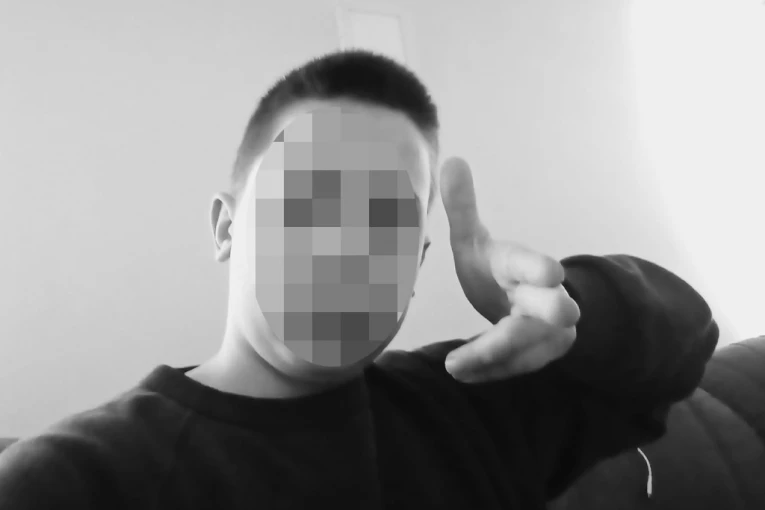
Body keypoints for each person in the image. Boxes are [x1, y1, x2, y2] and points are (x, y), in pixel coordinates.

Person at [0, 49, 719, 509]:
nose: (344, 246)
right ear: (227, 228)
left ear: (417, 265)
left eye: (386, 220)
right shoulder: (76, 479)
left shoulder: (465, 406)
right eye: (309, 199)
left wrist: (578, 310)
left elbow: (685, 342)